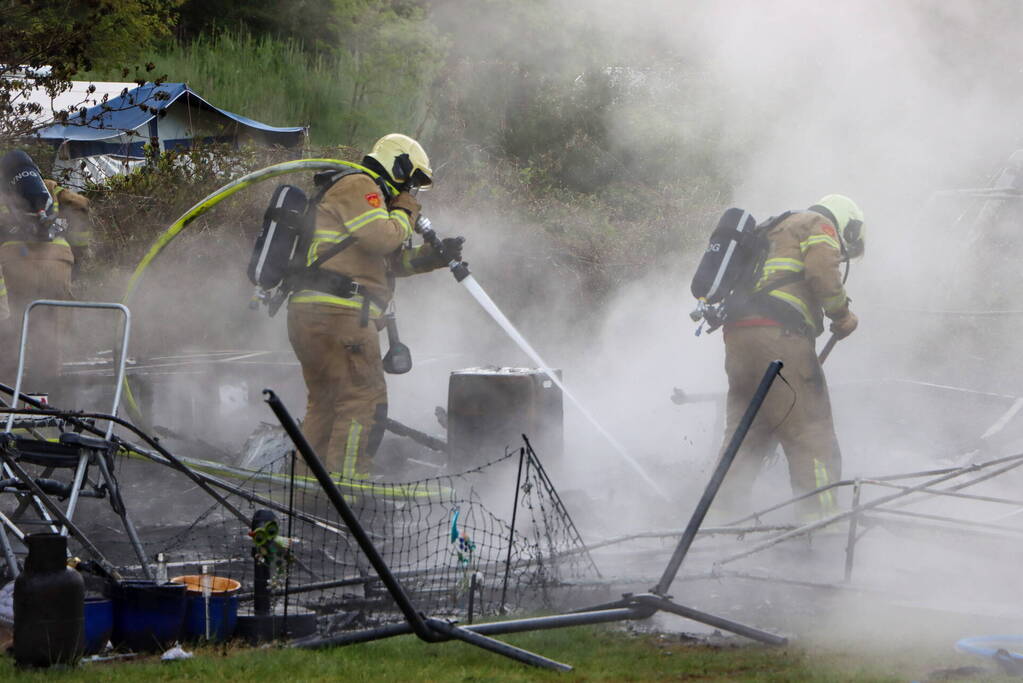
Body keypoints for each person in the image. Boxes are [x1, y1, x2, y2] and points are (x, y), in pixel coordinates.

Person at [287, 133, 463, 479]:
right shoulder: (359, 184)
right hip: (341, 315)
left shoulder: (366, 200)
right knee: (363, 401)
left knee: (325, 403)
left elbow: (388, 263)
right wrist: (406, 210)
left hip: (317, 312)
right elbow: (382, 238)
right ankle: (348, 484)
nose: (411, 191)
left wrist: (433, 258)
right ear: (397, 164)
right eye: (411, 180)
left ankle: (307, 486)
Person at [717, 194, 864, 521]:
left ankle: (718, 519)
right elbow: (821, 270)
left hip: (738, 338)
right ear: (847, 224)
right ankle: (821, 523)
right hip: (780, 338)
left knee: (745, 434)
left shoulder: (772, 229)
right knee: (811, 432)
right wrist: (841, 315)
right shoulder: (816, 224)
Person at [0, 149, 90, 395]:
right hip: (58, 262)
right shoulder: (49, 187)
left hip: (17, 265)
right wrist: (79, 250)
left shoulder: (4, 192)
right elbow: (81, 205)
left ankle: (10, 399)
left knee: (16, 328)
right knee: (51, 330)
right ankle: (50, 399)